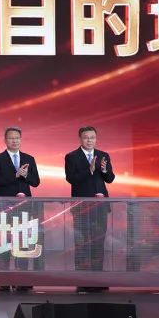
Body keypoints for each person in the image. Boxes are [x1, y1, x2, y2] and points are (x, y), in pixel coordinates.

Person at [64, 125, 115, 292]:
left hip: (100, 207)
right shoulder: (72, 156)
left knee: (98, 242)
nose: (89, 140)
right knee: (82, 243)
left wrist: (104, 170)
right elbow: (71, 178)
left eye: (92, 137)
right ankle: (83, 279)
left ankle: (97, 279)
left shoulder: (103, 155)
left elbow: (110, 179)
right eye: (86, 137)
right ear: (80, 138)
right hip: (82, 207)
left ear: (96, 138)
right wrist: (89, 170)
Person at [0, 126, 41, 292]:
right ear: (5, 140)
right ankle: (4, 278)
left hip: (25, 205)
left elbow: (36, 182)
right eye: (11, 138)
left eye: (17, 138)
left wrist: (25, 175)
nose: (14, 141)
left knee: (23, 240)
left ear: (21, 139)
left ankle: (22, 278)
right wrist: (15, 175)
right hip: (4, 205)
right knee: (4, 240)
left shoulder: (29, 158)